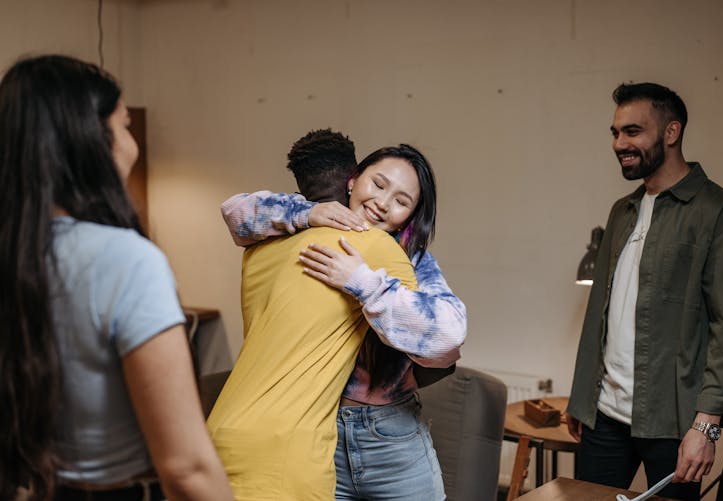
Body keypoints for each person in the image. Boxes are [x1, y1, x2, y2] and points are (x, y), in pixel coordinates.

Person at [0, 54, 233, 501]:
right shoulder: (125, 260)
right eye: (125, 126)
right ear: (91, 140)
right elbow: (186, 468)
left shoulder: (16, 251)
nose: (133, 144)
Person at [219, 131, 466, 500]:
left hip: (390, 432)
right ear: (353, 180)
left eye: (401, 201)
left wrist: (362, 282)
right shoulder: (304, 225)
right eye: (377, 184)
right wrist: (307, 212)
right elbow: (236, 210)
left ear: (409, 217)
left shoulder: (408, 259)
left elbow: (447, 337)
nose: (382, 203)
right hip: (320, 433)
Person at [565, 82, 723, 501]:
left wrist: (706, 426)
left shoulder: (722, 215)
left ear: (671, 132)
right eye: (615, 133)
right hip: (604, 417)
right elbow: (601, 313)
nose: (619, 143)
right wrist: (581, 400)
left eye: (632, 131)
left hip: (675, 422)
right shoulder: (622, 210)